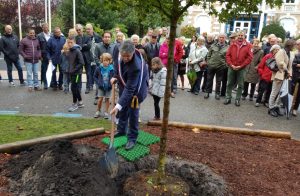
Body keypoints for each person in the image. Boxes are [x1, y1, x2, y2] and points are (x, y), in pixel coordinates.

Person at [110, 40, 148, 150]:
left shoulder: (136, 66)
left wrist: (117, 106)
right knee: (122, 110)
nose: (125, 58)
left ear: (132, 53)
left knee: (133, 113)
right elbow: (117, 66)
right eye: (123, 56)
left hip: (136, 91)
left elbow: (130, 89)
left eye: (128, 56)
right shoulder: (117, 50)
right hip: (124, 84)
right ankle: (121, 130)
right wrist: (115, 76)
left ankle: (132, 138)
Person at [224, 31, 253, 106]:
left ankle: (237, 99)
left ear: (244, 36)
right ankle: (228, 97)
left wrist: (241, 66)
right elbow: (227, 55)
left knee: (240, 84)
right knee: (229, 83)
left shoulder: (248, 45)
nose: (240, 37)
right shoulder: (232, 44)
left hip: (242, 68)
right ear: (237, 36)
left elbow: (250, 57)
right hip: (232, 67)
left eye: (242, 35)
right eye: (239, 35)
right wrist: (231, 64)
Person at [268, 40, 295, 117]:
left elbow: (290, 65)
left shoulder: (290, 53)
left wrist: (289, 73)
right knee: (274, 92)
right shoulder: (281, 52)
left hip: (286, 76)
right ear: (289, 45)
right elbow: (280, 64)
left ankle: (276, 107)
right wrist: (287, 71)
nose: (294, 46)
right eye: (293, 45)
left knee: (281, 93)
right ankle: (271, 108)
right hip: (279, 75)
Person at [94, 31, 116, 105]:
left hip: (110, 69)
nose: (107, 38)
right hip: (101, 69)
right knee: (99, 84)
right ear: (103, 38)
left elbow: (115, 58)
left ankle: (110, 98)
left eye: (108, 37)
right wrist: (101, 65)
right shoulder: (98, 46)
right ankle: (97, 98)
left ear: (110, 38)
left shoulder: (114, 46)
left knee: (110, 84)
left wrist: (111, 66)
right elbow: (95, 57)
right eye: (105, 37)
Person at [204, 33, 229, 99]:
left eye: (223, 37)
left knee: (218, 81)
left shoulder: (228, 47)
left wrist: (225, 65)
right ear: (218, 38)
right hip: (211, 66)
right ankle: (207, 92)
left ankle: (217, 93)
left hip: (221, 67)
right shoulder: (213, 45)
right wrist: (209, 62)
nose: (221, 38)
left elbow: (228, 57)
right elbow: (208, 55)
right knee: (209, 80)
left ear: (225, 38)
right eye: (220, 37)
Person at [66, 38, 85, 112]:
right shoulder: (69, 51)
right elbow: (70, 62)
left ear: (74, 43)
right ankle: (80, 102)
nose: (69, 44)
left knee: (73, 87)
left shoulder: (77, 51)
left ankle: (75, 104)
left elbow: (81, 63)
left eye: (71, 42)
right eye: (68, 42)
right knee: (75, 88)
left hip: (77, 73)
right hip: (71, 73)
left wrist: (74, 70)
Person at [94, 53, 114, 119]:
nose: (105, 62)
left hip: (108, 87)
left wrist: (111, 84)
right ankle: (98, 111)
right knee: (100, 99)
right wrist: (99, 83)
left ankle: (106, 112)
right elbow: (95, 76)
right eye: (104, 60)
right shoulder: (98, 68)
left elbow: (114, 77)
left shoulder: (111, 69)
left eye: (107, 60)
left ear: (109, 61)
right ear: (101, 60)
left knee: (107, 100)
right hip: (101, 87)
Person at [75, 24, 93, 94]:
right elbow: (75, 47)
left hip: (87, 58)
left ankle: (88, 87)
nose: (78, 31)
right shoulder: (75, 38)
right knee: (79, 73)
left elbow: (89, 46)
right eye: (77, 30)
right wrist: (84, 45)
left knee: (88, 73)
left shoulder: (88, 37)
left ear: (82, 29)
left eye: (79, 29)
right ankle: (79, 87)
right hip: (79, 59)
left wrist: (80, 46)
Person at [86, 23, 102, 90]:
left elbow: (101, 46)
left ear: (92, 29)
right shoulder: (85, 37)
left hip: (96, 58)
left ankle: (98, 86)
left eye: (89, 29)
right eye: (86, 29)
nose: (87, 30)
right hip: (88, 57)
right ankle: (89, 86)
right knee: (89, 73)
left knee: (96, 73)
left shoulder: (98, 37)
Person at [37, 23, 51, 89]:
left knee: (51, 69)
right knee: (44, 69)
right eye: (44, 27)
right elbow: (38, 47)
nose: (46, 28)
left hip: (51, 55)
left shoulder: (52, 35)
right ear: (42, 28)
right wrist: (40, 56)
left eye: (47, 27)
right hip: (44, 55)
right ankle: (45, 82)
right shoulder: (39, 36)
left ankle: (51, 82)